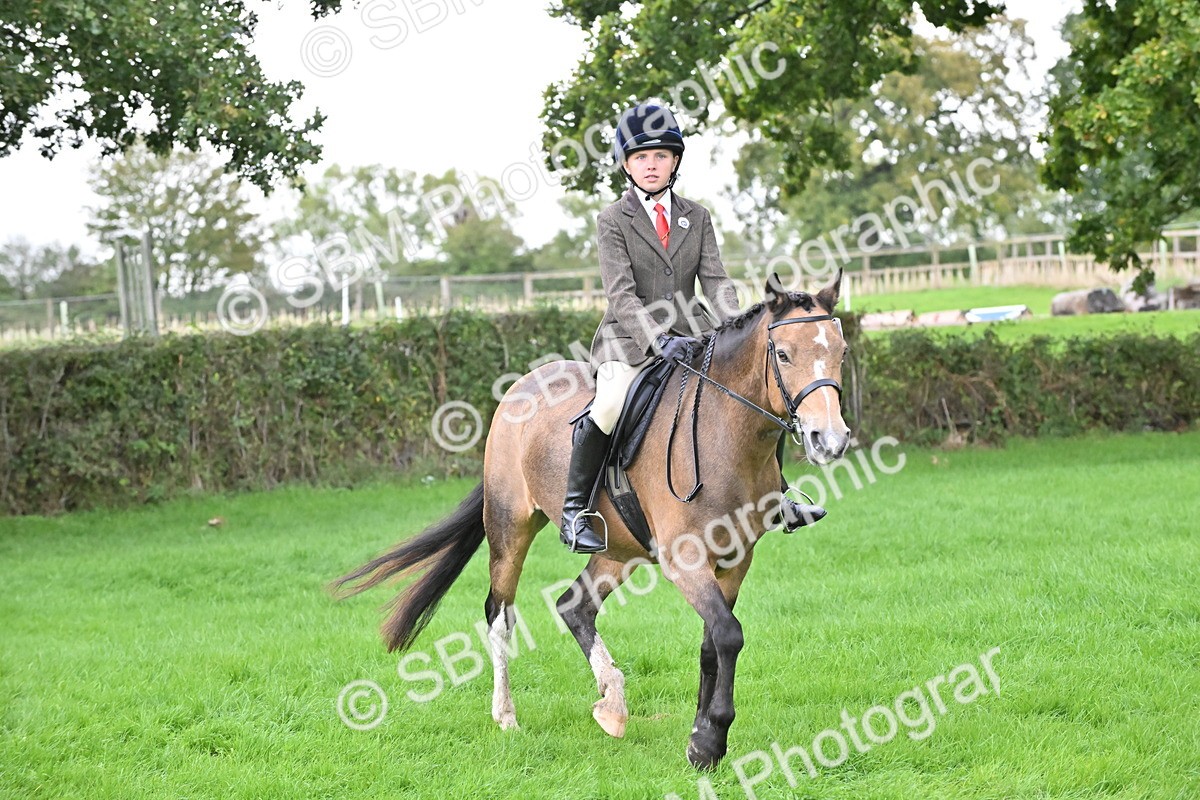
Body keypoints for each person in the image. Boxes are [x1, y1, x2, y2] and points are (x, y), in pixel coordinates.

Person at [559, 102, 826, 554]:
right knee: (608, 404)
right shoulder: (612, 221)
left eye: (660, 155)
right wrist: (655, 338)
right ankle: (576, 510)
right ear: (626, 163)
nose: (651, 164)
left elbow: (717, 280)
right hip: (629, 342)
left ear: (675, 162)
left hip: (694, 337)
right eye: (641, 157)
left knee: (760, 390)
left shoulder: (697, 216)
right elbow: (621, 294)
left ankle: (778, 496)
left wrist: (735, 329)